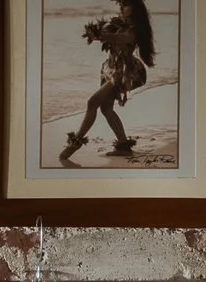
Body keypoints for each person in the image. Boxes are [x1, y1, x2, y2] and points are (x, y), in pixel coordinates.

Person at [60, 0, 156, 164]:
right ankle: (124, 145)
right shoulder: (118, 24)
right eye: (121, 4)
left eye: (125, 5)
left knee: (92, 103)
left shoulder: (132, 32)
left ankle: (75, 143)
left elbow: (112, 37)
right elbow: (106, 34)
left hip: (122, 73)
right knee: (106, 109)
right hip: (110, 69)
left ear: (134, 10)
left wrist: (96, 33)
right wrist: (95, 31)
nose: (121, 7)